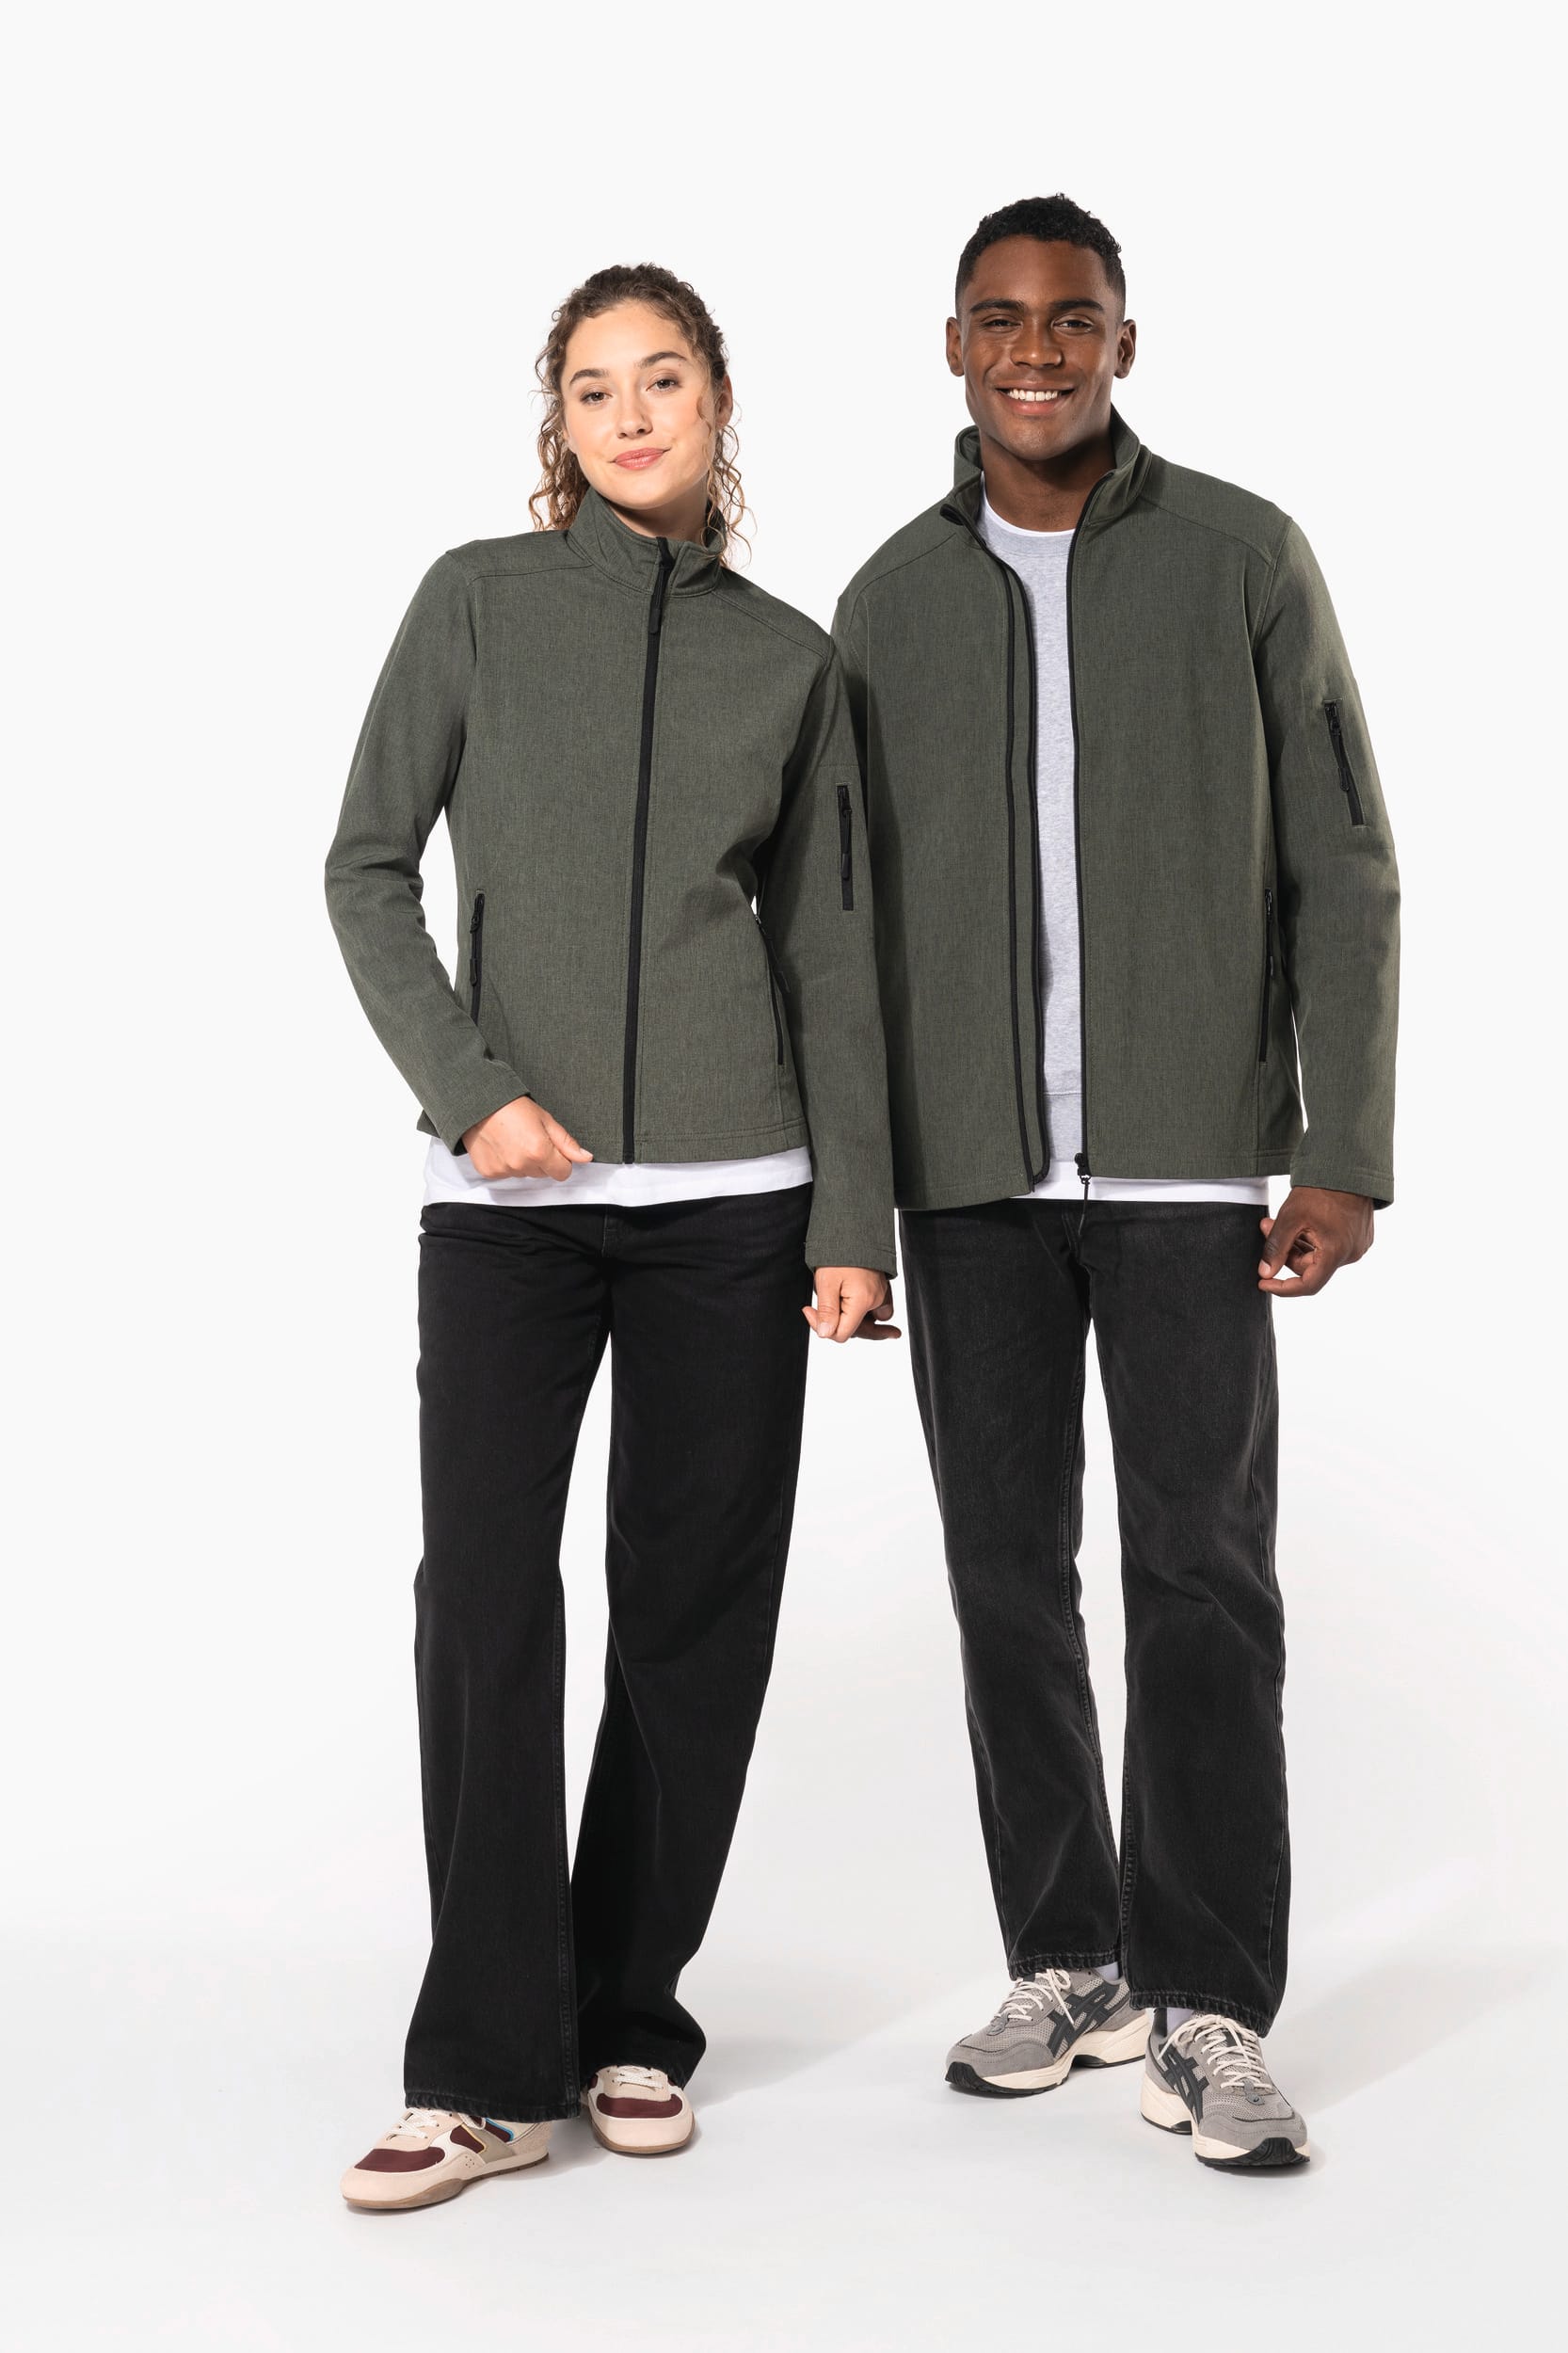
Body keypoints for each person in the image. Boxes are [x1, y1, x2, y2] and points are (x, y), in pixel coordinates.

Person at [834, 195, 1399, 2170]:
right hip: (966, 1174)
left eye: (1070, 317)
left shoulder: (1239, 554)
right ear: (951, 345)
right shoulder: (887, 601)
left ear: (1123, 342)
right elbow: (835, 924)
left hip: (1181, 1164)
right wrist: (852, 1201)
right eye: (998, 317)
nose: (1035, 349)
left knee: (1197, 1574)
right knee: (1003, 1573)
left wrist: (1341, 1147)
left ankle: (1209, 1996)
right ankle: (1067, 1955)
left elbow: (1342, 862)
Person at [326, 263, 897, 2209]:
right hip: (507, 1203)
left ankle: (628, 2011)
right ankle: (485, 2067)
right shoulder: (476, 602)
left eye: (662, 378)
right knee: (484, 1599)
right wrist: (469, 1086)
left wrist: (849, 1214)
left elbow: (829, 949)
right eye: (593, 386)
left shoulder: (787, 658)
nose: (630, 412)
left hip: (733, 1203)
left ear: (716, 403)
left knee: (691, 1613)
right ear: (556, 419)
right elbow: (366, 866)